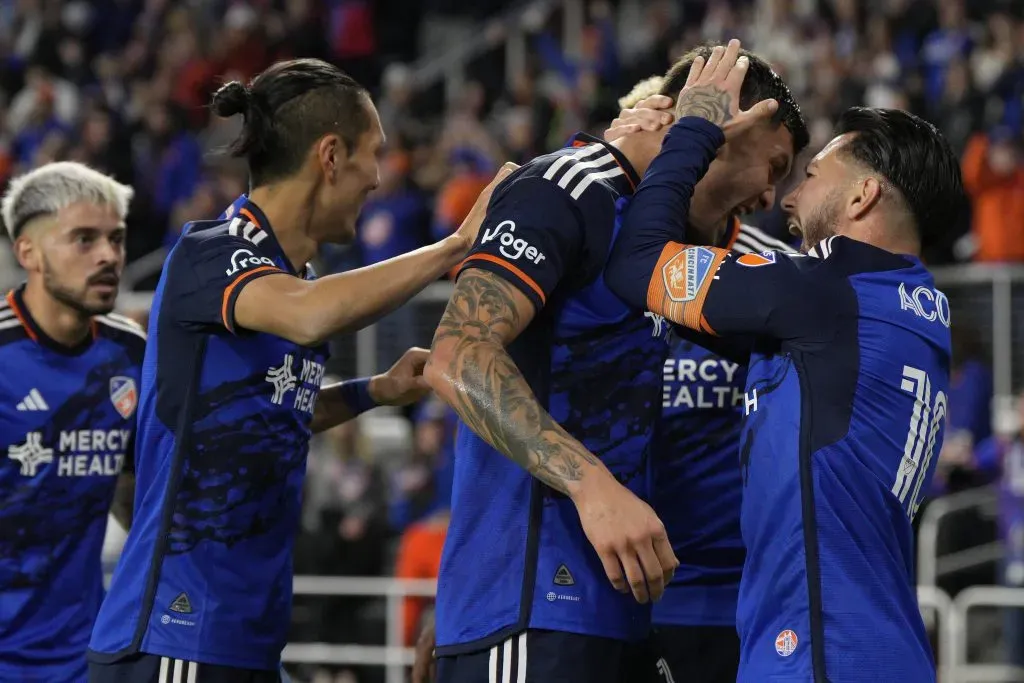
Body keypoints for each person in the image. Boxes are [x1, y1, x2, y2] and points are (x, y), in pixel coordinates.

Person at [87, 58, 510, 683]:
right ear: (331, 155)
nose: (378, 177)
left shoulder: (294, 281)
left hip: (244, 637)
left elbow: (271, 413)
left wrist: (375, 391)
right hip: (175, 635)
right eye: (374, 154)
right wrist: (453, 246)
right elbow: (312, 318)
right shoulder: (214, 253)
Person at [420, 44, 805, 682]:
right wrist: (591, 486)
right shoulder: (565, 186)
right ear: (723, 126)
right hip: (531, 603)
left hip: (617, 605)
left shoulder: (661, 238)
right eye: (775, 166)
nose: (770, 197)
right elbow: (456, 355)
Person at [605, 40, 965, 682]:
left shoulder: (822, 294)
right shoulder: (905, 308)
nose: (789, 200)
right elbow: (717, 318)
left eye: (811, 174)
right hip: (874, 650)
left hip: (818, 656)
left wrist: (690, 132)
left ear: (861, 197)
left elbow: (638, 267)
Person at [611, 64, 805, 683]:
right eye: (773, 169)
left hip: (743, 609)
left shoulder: (780, 277)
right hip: (599, 596)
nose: (774, 198)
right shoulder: (588, 249)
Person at [0, 161, 142, 682]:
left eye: (117, 239)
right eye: (84, 239)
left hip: (86, 656)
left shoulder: (129, 350)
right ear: (28, 253)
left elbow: (134, 486)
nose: (108, 255)